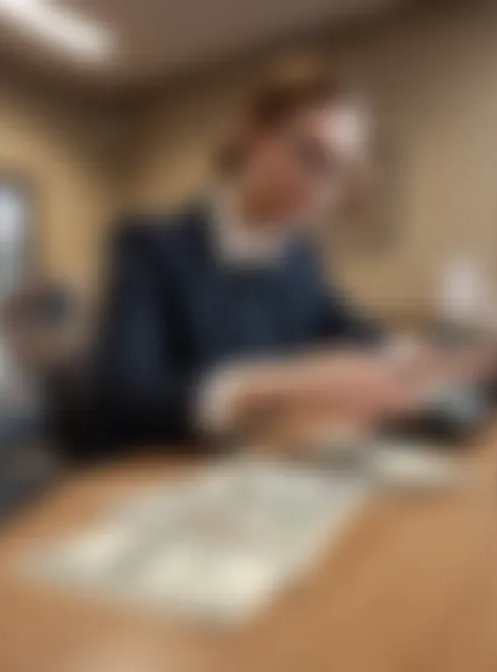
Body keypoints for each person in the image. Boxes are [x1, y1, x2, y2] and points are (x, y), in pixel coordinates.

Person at [92, 60, 436, 451]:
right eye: (311, 155)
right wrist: (281, 386)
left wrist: (410, 354)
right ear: (253, 134)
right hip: (168, 469)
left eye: (340, 170)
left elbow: (340, 323)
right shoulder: (150, 246)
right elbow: (124, 397)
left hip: (273, 463)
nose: (323, 189)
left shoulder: (300, 255)